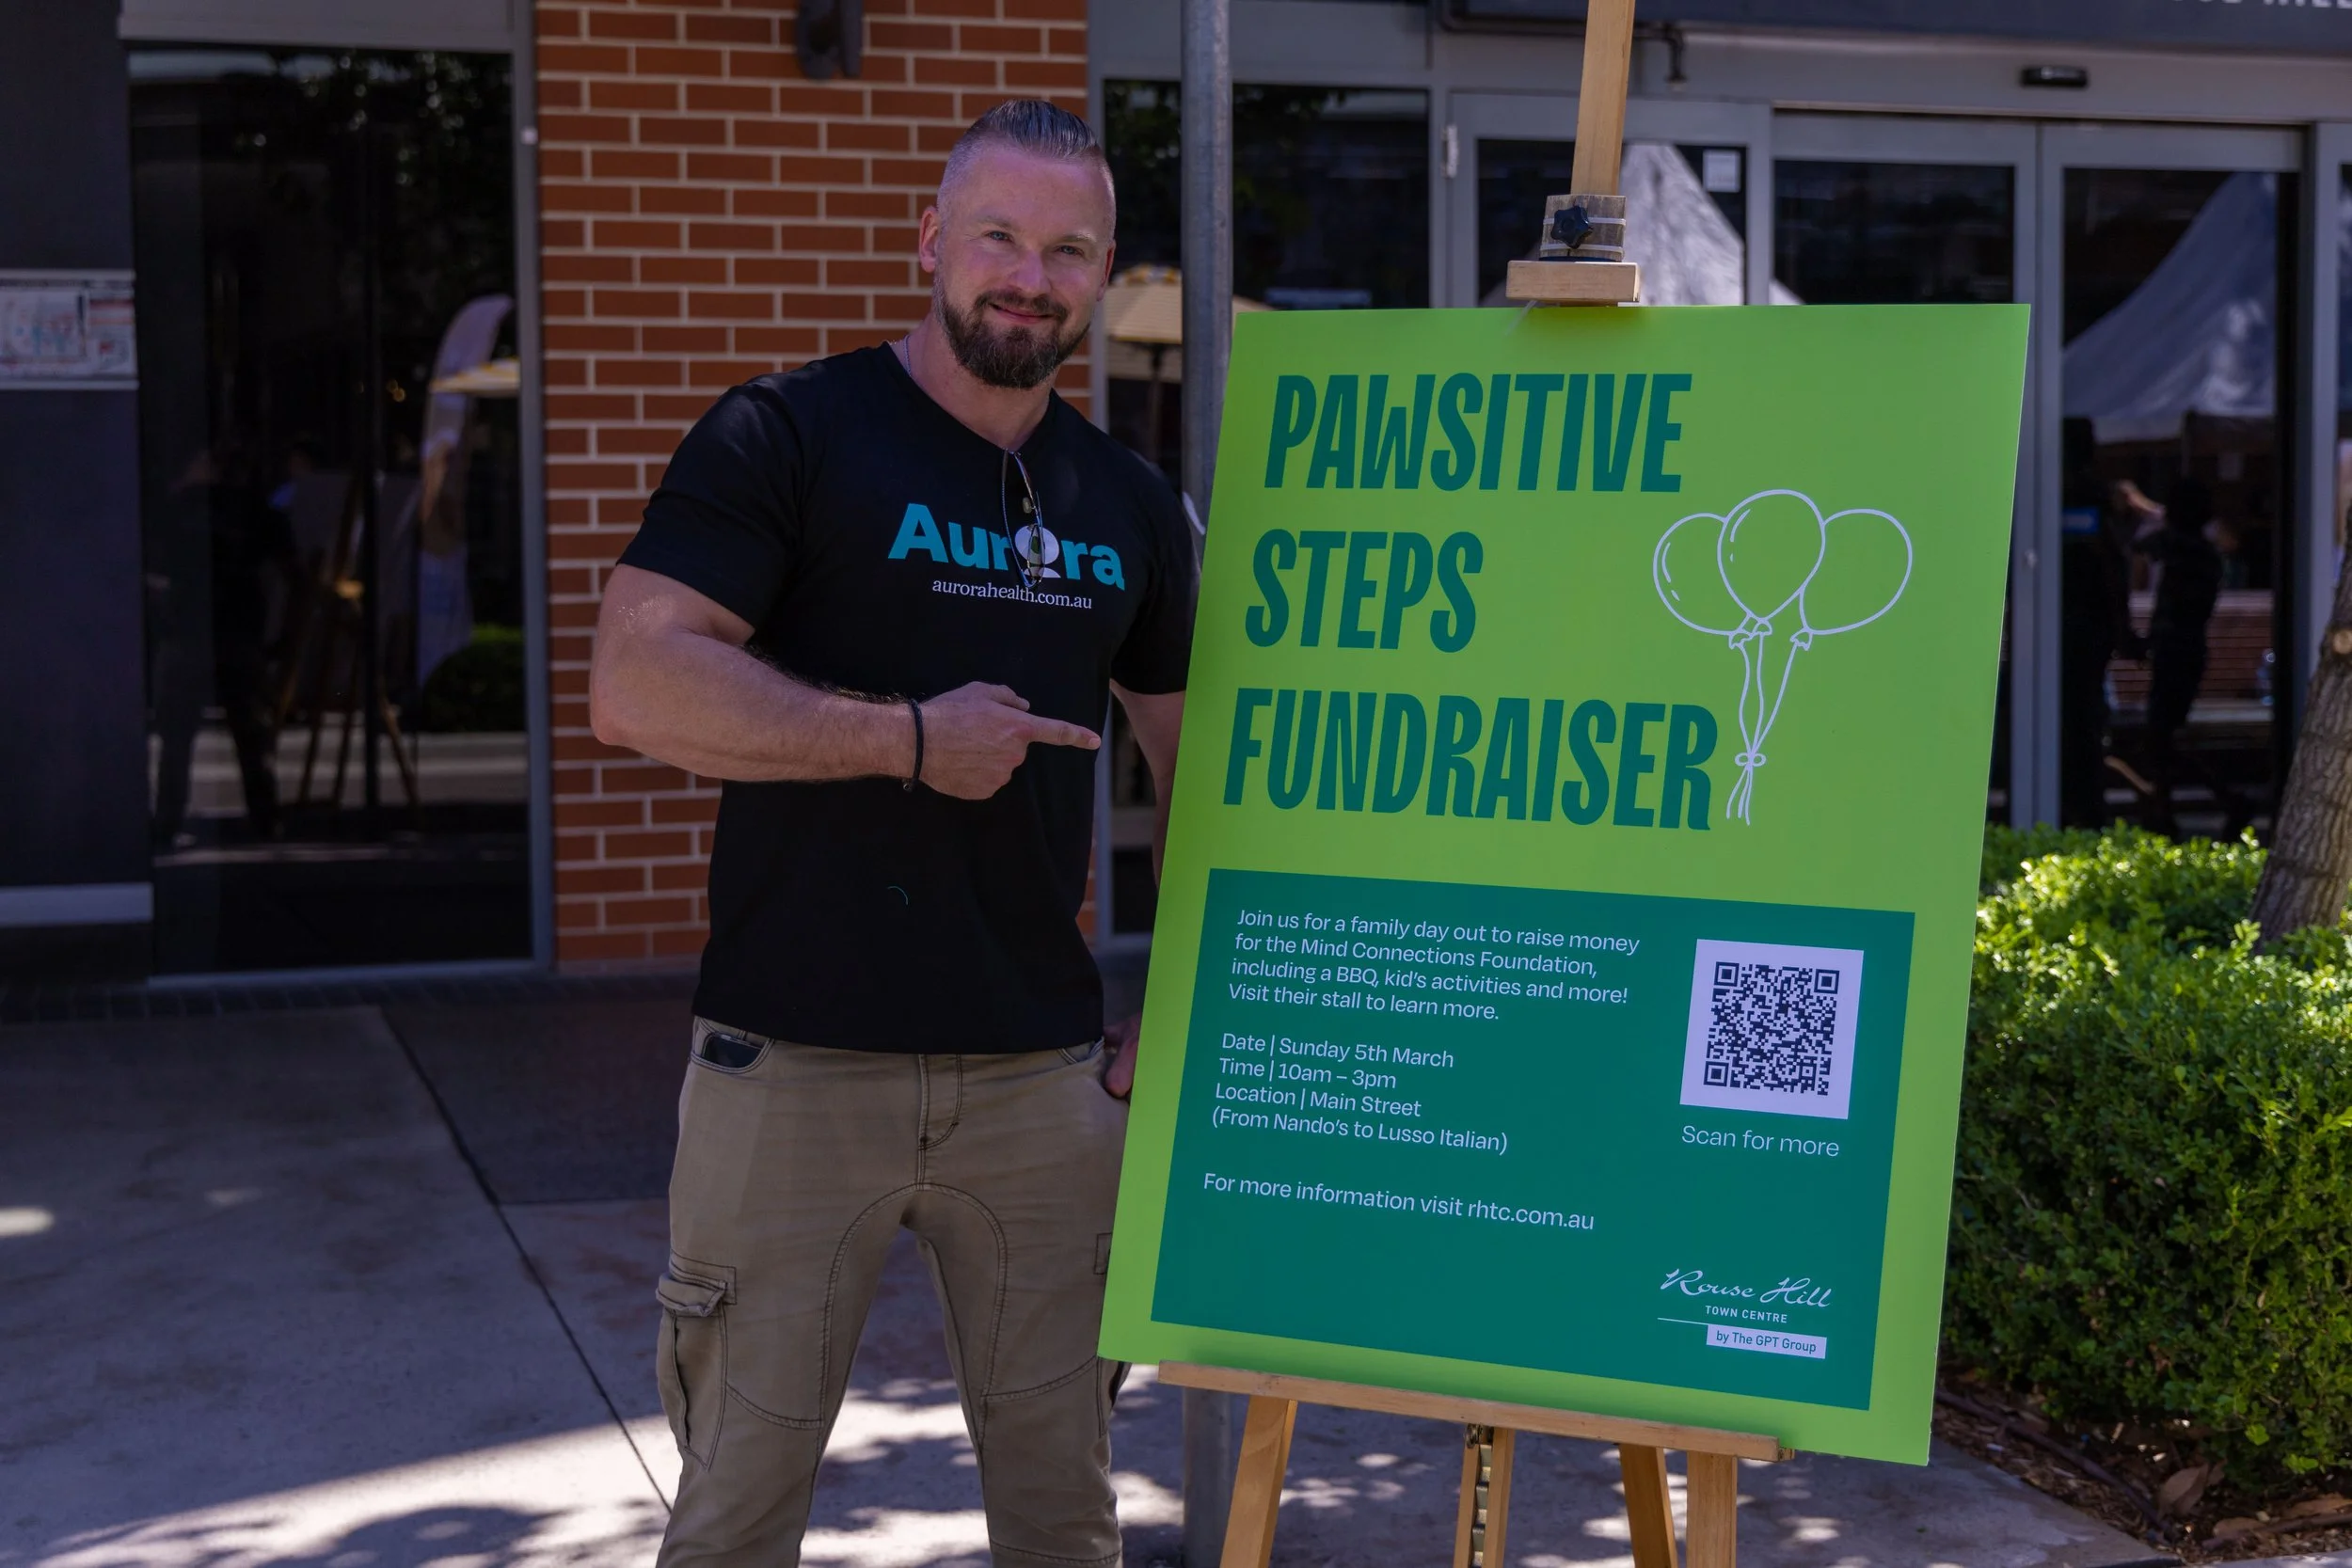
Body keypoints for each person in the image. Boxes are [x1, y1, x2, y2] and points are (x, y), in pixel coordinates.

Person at [588, 101, 1195, 1567]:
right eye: (998, 235)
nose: (1028, 276)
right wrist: (907, 739)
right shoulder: (789, 431)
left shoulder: (1129, 504)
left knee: (1066, 1514)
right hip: (788, 1066)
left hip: (1041, 1082)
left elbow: (1206, 777)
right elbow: (634, 674)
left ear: (1103, 273)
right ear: (931, 240)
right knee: (736, 1516)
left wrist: (1180, 1010)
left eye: (1067, 249)